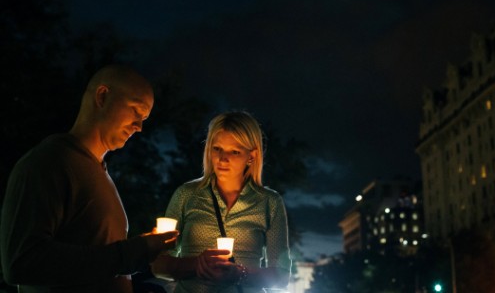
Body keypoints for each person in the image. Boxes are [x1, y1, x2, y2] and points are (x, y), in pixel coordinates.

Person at [0, 65, 178, 293]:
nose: (139, 127)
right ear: (102, 96)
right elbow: (21, 263)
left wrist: (142, 249)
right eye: (136, 110)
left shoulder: (98, 170)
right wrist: (134, 252)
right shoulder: (48, 162)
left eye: (144, 118)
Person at [151, 111, 291, 293]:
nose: (223, 158)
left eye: (234, 151)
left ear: (252, 156)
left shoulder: (269, 203)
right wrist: (196, 264)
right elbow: (159, 266)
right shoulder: (187, 195)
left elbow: (281, 276)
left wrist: (238, 274)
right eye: (217, 148)